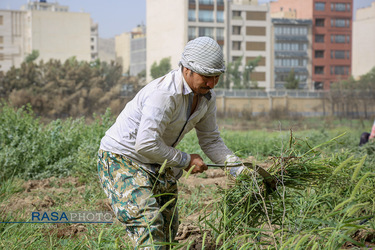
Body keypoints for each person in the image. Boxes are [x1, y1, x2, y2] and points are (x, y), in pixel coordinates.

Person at [97, 37, 244, 248]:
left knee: (167, 228)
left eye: (216, 77)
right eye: (206, 76)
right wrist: (186, 160)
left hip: (157, 161)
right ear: (186, 70)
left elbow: (211, 141)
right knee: (148, 224)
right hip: (123, 158)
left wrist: (239, 170)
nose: (211, 83)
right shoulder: (164, 94)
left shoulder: (205, 98)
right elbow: (146, 144)